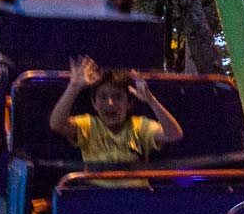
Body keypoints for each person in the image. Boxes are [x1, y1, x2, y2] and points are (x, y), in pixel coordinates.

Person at [47, 56, 184, 169]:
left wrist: (151, 100)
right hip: (96, 194)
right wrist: (74, 86)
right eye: (103, 97)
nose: (110, 103)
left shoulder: (140, 126)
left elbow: (174, 134)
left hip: (136, 194)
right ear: (94, 103)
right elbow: (57, 125)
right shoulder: (88, 125)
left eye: (117, 97)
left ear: (129, 103)